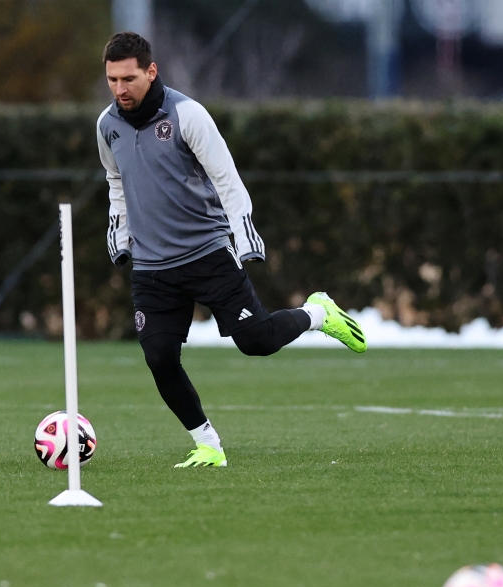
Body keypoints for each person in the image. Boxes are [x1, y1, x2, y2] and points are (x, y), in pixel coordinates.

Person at [95, 32, 366, 468]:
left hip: (206, 252)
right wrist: (119, 232)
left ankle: (319, 314)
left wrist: (245, 238)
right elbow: (115, 182)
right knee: (160, 358)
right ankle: (208, 445)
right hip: (151, 267)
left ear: (151, 71)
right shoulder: (107, 125)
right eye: (112, 80)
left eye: (129, 78)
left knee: (255, 341)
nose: (120, 89)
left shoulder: (188, 116)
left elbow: (227, 180)